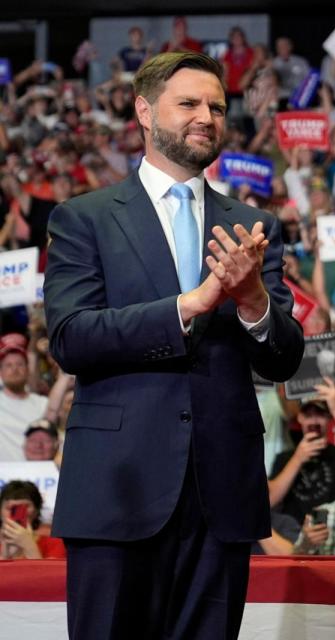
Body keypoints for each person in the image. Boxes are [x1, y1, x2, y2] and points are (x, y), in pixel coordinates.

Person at [43, 52, 304, 639]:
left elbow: (283, 356)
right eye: (188, 103)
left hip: (223, 496)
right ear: (143, 110)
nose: (206, 117)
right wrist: (193, 304)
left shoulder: (254, 224)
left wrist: (253, 300)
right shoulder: (84, 218)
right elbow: (71, 338)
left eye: (215, 106)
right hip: (118, 490)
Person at [0, 333, 49, 462]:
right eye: (8, 365)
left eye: (20, 364)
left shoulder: (43, 404)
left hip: (37, 476)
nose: (15, 369)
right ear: (1, 372)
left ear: (28, 370)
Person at [0, 480, 66, 560]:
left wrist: (29, 545)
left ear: (36, 510)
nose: (17, 513)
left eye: (24, 507)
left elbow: (48, 572)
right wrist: (4, 556)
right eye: (10, 508)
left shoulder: (54, 544)